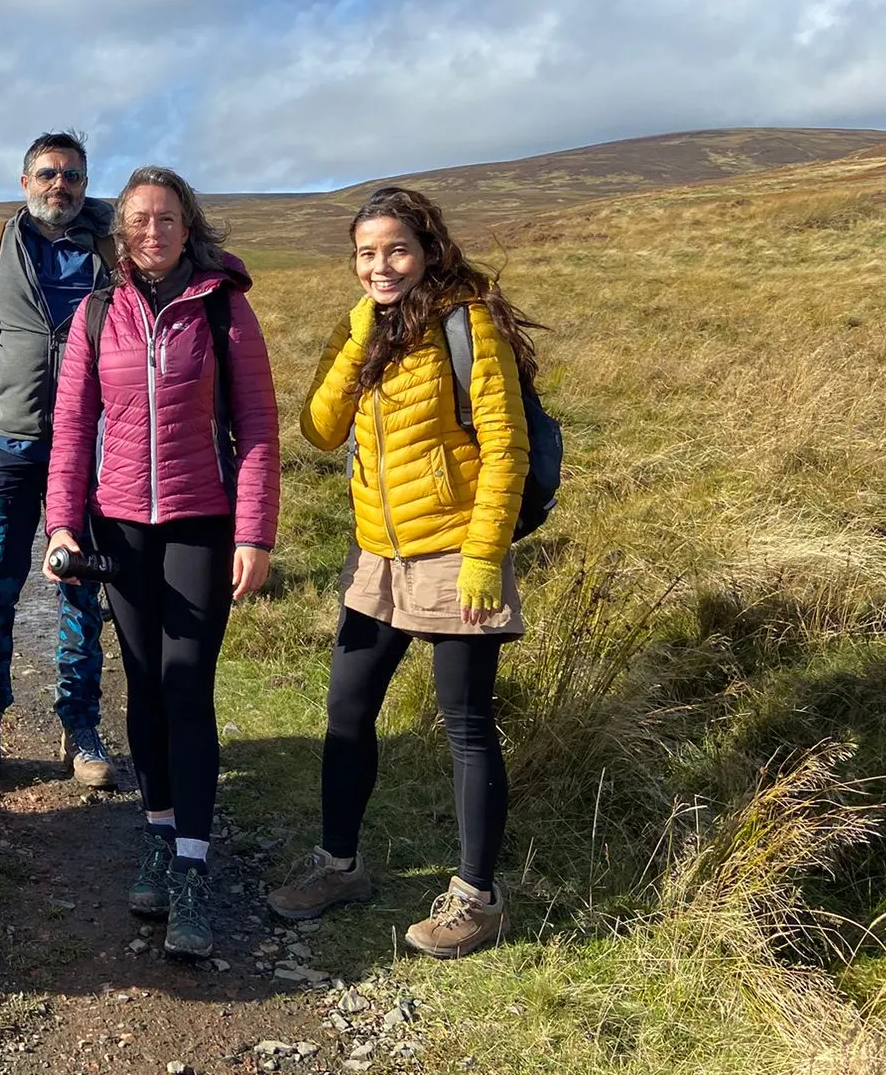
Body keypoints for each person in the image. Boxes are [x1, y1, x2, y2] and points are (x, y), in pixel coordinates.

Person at [265, 185, 535, 959]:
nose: (380, 267)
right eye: (366, 254)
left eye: (395, 250)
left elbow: (506, 446)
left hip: (456, 551)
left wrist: (486, 554)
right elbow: (319, 429)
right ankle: (339, 865)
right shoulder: (368, 329)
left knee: (466, 724)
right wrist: (358, 338)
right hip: (376, 555)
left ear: (428, 248)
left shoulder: (467, 321)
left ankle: (478, 899)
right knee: (348, 712)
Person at [45, 166, 280, 960]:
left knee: (186, 685)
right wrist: (62, 527)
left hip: (201, 523)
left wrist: (254, 534)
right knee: (141, 685)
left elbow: (257, 427)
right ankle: (156, 833)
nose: (153, 232)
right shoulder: (96, 313)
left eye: (168, 219)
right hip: (119, 528)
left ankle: (190, 863)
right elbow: (74, 426)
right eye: (141, 220)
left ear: (189, 226)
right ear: (122, 233)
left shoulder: (223, 309)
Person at [0, 132, 118, 789]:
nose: (59, 186)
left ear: (85, 183)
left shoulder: (114, 252)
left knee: (80, 587)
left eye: (71, 176)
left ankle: (82, 728)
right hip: (1, 444)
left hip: (91, 449)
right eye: (47, 174)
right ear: (24, 180)